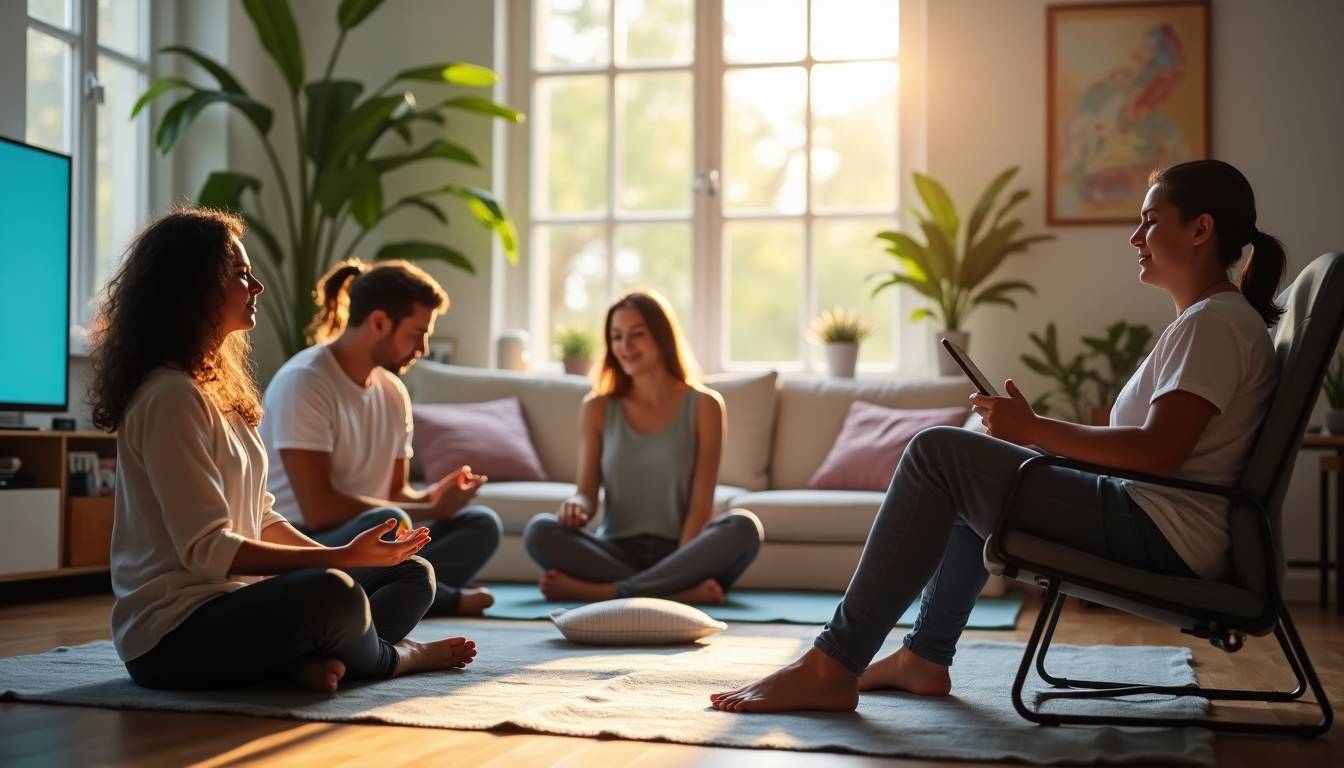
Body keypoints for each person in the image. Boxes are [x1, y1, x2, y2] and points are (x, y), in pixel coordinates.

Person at [710, 158, 1284, 713]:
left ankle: (833, 665)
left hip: (1158, 532)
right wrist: (1033, 438)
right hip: (1148, 517)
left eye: (1151, 220)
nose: (1136, 236)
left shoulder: (1214, 324)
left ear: (1201, 229)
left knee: (936, 453)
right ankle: (922, 657)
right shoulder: (1207, 322)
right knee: (961, 476)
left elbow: (1158, 454)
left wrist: (1035, 430)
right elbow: (1154, 449)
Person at [91, 209, 476, 693]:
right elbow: (208, 550)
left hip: (242, 606)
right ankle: (391, 659)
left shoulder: (215, 391)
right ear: (195, 287)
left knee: (413, 575)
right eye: (241, 275)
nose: (258, 287)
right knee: (334, 593)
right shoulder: (169, 397)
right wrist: (337, 561)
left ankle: (297, 662)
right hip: (173, 637)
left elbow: (262, 513)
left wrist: (345, 556)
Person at [259, 259, 502, 616]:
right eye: (417, 333)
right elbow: (320, 510)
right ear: (379, 322)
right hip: (309, 541)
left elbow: (395, 494)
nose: (422, 349)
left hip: (376, 534)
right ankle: (437, 595)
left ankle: (401, 586)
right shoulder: (306, 381)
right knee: (388, 522)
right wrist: (427, 509)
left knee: (482, 525)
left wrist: (436, 497)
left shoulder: (392, 392)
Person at [522, 290, 764, 604]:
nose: (625, 347)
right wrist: (576, 506)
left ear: (662, 338)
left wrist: (681, 562)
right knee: (540, 531)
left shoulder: (705, 404)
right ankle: (675, 593)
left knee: (744, 527)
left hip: (683, 551)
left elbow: (701, 504)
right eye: (617, 337)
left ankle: (610, 592)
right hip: (614, 551)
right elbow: (586, 493)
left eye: (637, 334)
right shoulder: (597, 407)